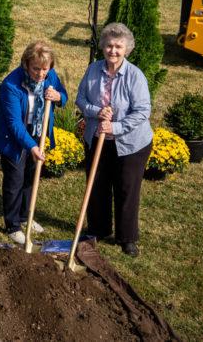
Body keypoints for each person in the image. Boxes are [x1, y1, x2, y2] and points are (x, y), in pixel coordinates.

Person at [75, 23, 153, 257]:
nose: (113, 51)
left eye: (118, 46)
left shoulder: (134, 76)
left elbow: (142, 112)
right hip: (97, 138)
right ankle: (98, 228)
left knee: (126, 188)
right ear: (103, 47)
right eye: (109, 45)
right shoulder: (93, 70)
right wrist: (96, 111)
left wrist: (116, 126)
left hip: (130, 144)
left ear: (127, 49)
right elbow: (80, 99)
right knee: (97, 185)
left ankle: (127, 237)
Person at [0, 41, 67, 244]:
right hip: (13, 138)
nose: (41, 74)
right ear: (25, 64)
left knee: (30, 178)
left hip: (37, 134)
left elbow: (64, 96)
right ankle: (13, 225)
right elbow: (14, 123)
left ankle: (26, 216)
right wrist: (31, 146)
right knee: (14, 180)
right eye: (36, 69)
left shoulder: (51, 76)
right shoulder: (11, 85)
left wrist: (59, 97)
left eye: (45, 69)